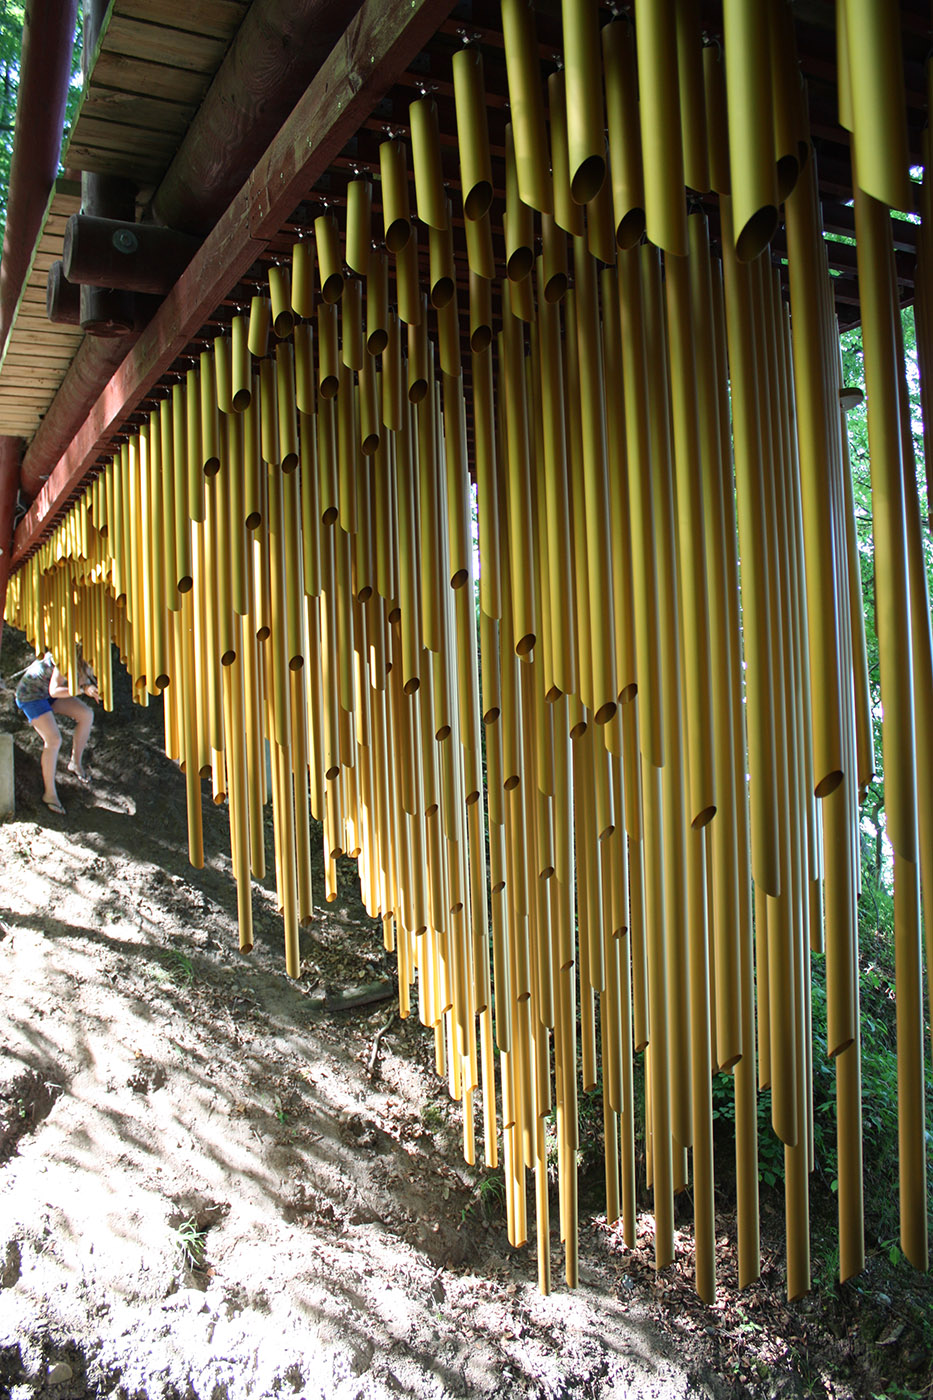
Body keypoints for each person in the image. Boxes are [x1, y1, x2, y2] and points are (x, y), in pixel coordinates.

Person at [14, 651, 100, 816]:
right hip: (32, 696)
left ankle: (75, 763)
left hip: (46, 693)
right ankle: (50, 794)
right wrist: (83, 689)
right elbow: (55, 691)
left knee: (86, 714)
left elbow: (81, 679)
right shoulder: (67, 654)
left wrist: (91, 687)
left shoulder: (88, 655)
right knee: (54, 740)